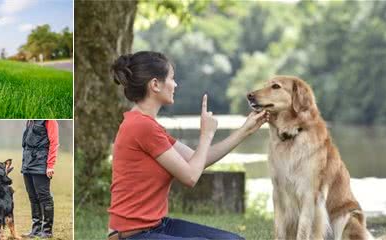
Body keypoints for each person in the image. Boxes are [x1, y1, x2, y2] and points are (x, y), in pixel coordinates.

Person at [107, 51, 269, 239]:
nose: (175, 84)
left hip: (157, 226)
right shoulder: (141, 126)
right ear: (155, 85)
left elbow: (196, 160)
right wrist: (206, 134)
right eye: (172, 78)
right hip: (132, 236)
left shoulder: (149, 126)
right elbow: (191, 177)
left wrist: (245, 130)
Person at [21, 120, 59, 239]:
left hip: (41, 164)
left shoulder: (49, 120)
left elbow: (54, 142)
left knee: (44, 197)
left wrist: (50, 165)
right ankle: (36, 229)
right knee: (32, 197)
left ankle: (47, 231)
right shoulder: (30, 120)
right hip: (27, 164)